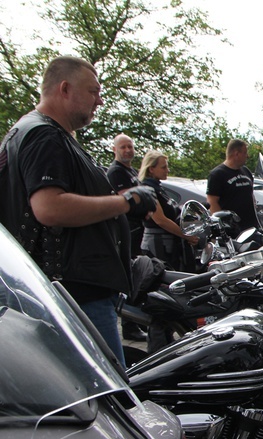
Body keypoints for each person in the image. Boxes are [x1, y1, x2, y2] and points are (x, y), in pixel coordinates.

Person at [0, 56, 157, 368]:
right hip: (73, 296)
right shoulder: (44, 135)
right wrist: (126, 203)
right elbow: (49, 208)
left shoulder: (27, 132)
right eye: (93, 91)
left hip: (62, 293)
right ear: (65, 89)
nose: (99, 100)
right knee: (109, 403)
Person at [106, 133, 148, 342]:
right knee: (132, 277)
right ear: (115, 150)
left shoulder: (130, 171)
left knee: (138, 276)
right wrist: (141, 195)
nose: (127, 151)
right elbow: (122, 198)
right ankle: (130, 325)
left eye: (130, 147)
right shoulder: (115, 172)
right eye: (123, 147)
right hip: (126, 231)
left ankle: (136, 321)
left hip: (136, 229)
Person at [138, 150, 199, 270]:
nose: (168, 170)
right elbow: (160, 220)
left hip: (168, 242)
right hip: (158, 243)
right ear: (151, 169)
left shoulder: (158, 188)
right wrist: (186, 236)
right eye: (163, 167)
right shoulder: (148, 189)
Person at [206, 139, 259, 233]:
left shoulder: (246, 171)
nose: (247, 156)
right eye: (245, 153)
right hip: (233, 229)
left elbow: (251, 194)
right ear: (236, 154)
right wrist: (223, 225)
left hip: (252, 226)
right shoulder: (217, 174)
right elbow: (212, 202)